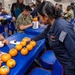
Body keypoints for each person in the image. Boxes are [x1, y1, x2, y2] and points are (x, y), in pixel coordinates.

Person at [27, 1, 75, 75]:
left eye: (39, 17)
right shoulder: (52, 24)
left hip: (68, 66)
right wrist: (31, 39)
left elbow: (72, 51)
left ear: (46, 17)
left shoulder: (62, 29)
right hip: (60, 60)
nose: (39, 19)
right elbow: (44, 34)